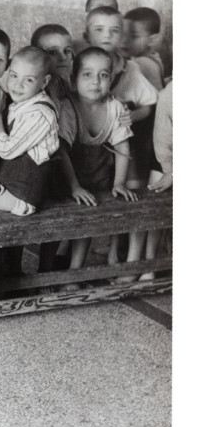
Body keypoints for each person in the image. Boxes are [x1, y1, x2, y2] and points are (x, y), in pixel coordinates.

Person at [56, 47, 139, 291]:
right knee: (71, 221)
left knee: (90, 222)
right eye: (87, 75)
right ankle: (57, 266)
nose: (96, 82)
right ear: (73, 79)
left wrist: (119, 183)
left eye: (103, 75)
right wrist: (74, 186)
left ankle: (75, 272)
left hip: (99, 174)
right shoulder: (67, 106)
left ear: (112, 79)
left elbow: (123, 145)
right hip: (67, 175)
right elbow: (60, 150)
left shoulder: (115, 107)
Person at [84, 6, 158, 189]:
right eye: (99, 30)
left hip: (122, 143)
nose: (107, 36)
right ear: (87, 36)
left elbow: (149, 103)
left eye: (114, 31)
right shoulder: (78, 66)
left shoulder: (130, 69)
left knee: (132, 185)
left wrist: (134, 116)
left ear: (122, 35)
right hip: (89, 142)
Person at [0, 47, 60, 216]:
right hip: (7, 185)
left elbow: (7, 150)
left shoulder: (41, 113)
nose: (18, 85)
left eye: (29, 80)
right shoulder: (21, 104)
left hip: (24, 195)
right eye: (14, 75)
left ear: (44, 82)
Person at [141, 81, 172, 281]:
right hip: (166, 160)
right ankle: (149, 265)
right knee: (154, 216)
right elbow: (162, 137)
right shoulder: (170, 93)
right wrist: (171, 170)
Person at [122, 7, 165, 91]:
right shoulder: (154, 57)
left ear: (152, 40)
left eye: (134, 36)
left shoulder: (141, 63)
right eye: (123, 34)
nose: (125, 40)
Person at [31, 24, 75, 103]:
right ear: (36, 55)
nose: (63, 58)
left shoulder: (62, 83)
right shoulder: (35, 89)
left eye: (67, 51)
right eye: (53, 52)